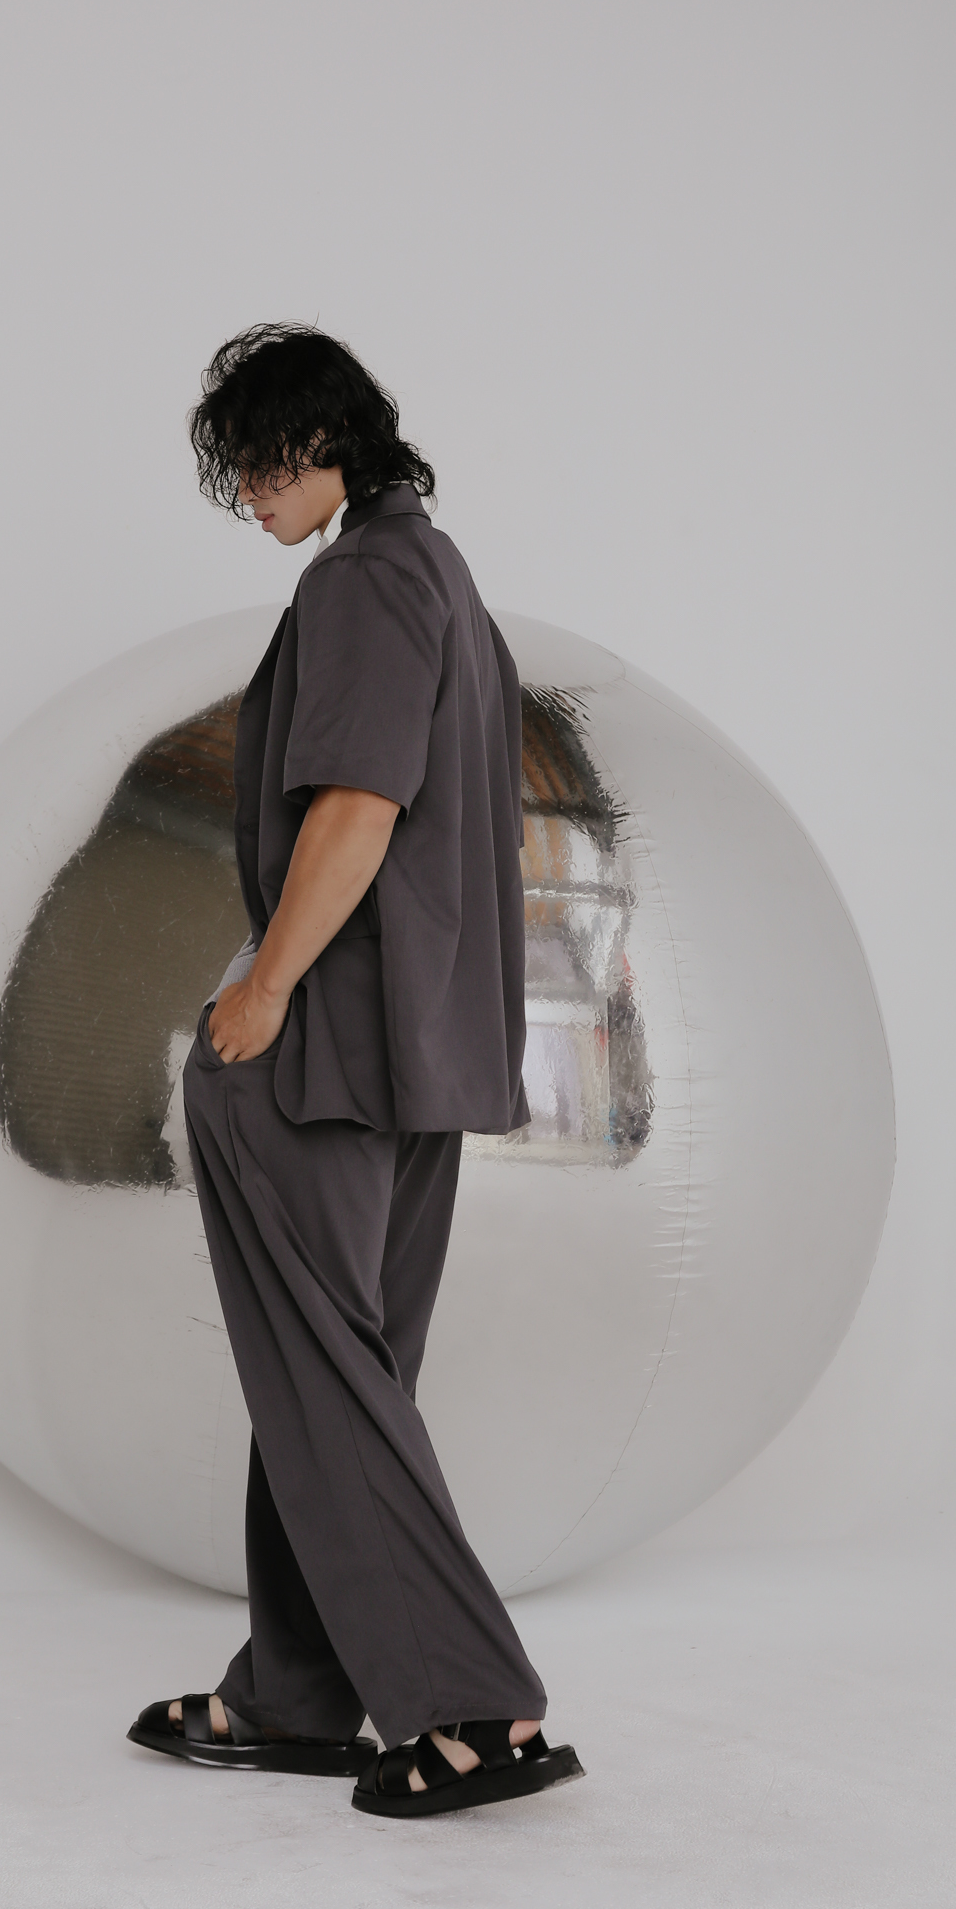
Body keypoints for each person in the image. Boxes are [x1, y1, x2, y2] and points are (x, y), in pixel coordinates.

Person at [128, 325, 583, 1818]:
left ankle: (473, 1709)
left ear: (323, 441)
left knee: (327, 1383)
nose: (249, 497)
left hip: (326, 1049)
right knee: (336, 1380)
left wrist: (262, 989)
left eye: (260, 465)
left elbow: (359, 808)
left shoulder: (364, 581)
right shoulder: (439, 574)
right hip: (417, 1051)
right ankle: (302, 1692)